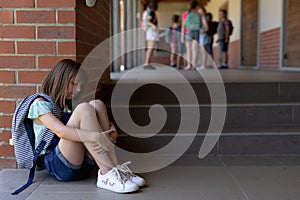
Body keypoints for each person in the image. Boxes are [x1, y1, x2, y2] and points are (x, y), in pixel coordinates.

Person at [23, 59, 145, 193]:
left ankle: (116, 170)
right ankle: (106, 173)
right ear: (60, 80)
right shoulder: (40, 104)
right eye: (74, 84)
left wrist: (110, 129)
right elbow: (60, 131)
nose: (79, 89)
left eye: (81, 85)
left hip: (84, 165)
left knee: (97, 104)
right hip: (59, 166)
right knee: (84, 108)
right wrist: (96, 137)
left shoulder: (68, 105)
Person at [181, 0, 200, 70]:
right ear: (196, 6)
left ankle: (189, 65)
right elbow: (200, 24)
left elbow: (183, 26)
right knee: (195, 50)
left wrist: (182, 36)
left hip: (188, 32)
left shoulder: (185, 14)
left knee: (189, 50)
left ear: (188, 6)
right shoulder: (198, 14)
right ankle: (194, 66)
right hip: (196, 32)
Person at [144, 2, 159, 70]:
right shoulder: (152, 12)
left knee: (149, 48)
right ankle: (147, 64)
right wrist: (154, 26)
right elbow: (148, 21)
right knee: (151, 48)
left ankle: (147, 64)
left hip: (149, 31)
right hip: (152, 31)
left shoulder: (148, 12)